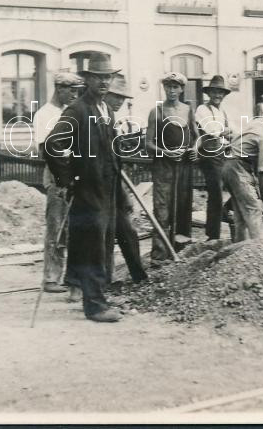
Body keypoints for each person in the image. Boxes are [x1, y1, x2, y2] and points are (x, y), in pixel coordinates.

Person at [44, 53, 124, 323]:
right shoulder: (77, 110)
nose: (104, 82)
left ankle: (88, 291)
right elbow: (52, 144)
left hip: (107, 187)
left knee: (96, 241)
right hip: (88, 188)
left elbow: (110, 148)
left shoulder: (107, 110)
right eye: (98, 77)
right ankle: (95, 306)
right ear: (87, 79)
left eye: (107, 77)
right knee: (93, 246)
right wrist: (68, 179)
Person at [32, 72, 84, 294]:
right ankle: (51, 278)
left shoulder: (70, 112)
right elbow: (45, 149)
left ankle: (71, 277)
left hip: (74, 172)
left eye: (77, 91)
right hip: (56, 173)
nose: (75, 95)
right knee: (56, 225)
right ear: (59, 88)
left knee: (74, 226)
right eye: (71, 91)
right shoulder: (45, 114)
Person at [145, 72, 198, 260]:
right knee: (162, 209)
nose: (172, 90)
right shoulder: (156, 112)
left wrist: (195, 149)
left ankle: (181, 251)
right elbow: (148, 144)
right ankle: (159, 255)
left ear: (182, 89)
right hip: (163, 166)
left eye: (175, 87)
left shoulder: (188, 110)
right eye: (168, 86)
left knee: (183, 205)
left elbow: (196, 136)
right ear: (164, 88)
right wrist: (166, 152)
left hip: (184, 166)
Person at [104, 75, 148, 284]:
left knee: (127, 231)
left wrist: (122, 193)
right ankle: (105, 280)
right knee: (104, 235)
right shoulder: (98, 115)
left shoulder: (110, 116)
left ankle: (139, 277)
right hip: (98, 186)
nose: (119, 101)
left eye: (122, 98)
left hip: (113, 183)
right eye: (116, 96)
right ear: (106, 94)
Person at [221, 104, 263, 243]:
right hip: (238, 168)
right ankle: (262, 249)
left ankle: (240, 248)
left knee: (241, 215)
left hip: (230, 165)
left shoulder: (258, 122)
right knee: (254, 209)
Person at [195, 75, 233, 241]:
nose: (218, 95)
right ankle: (213, 235)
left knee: (237, 185)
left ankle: (224, 212)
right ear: (209, 93)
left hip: (222, 152)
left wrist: (227, 133)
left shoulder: (222, 111)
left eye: (220, 92)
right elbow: (212, 130)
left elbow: (230, 131)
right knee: (216, 192)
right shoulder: (202, 109)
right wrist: (225, 132)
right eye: (215, 92)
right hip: (209, 154)